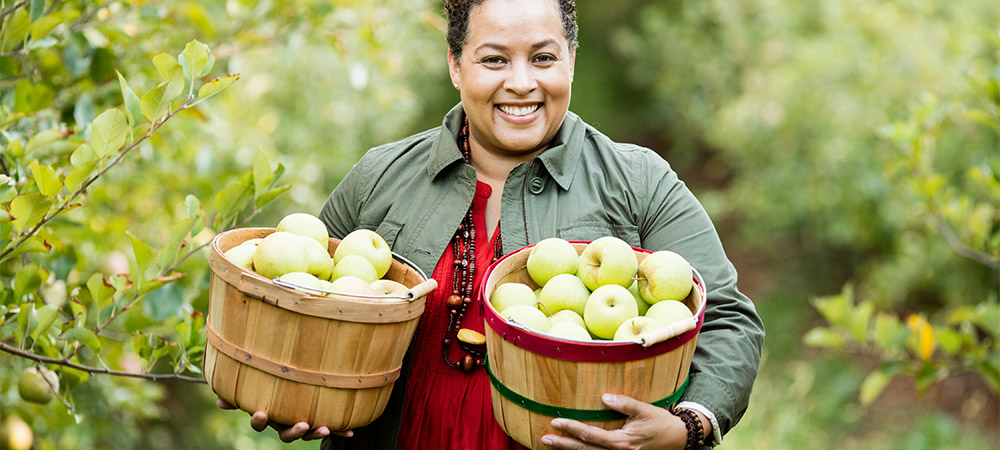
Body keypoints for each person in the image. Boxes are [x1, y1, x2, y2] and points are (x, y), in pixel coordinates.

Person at [221, 0, 764, 448]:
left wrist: (689, 424)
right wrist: (292, 386)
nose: (522, 83)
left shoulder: (637, 180)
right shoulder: (382, 177)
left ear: (571, 60)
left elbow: (729, 319)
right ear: (456, 65)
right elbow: (307, 304)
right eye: (495, 59)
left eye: (544, 57)